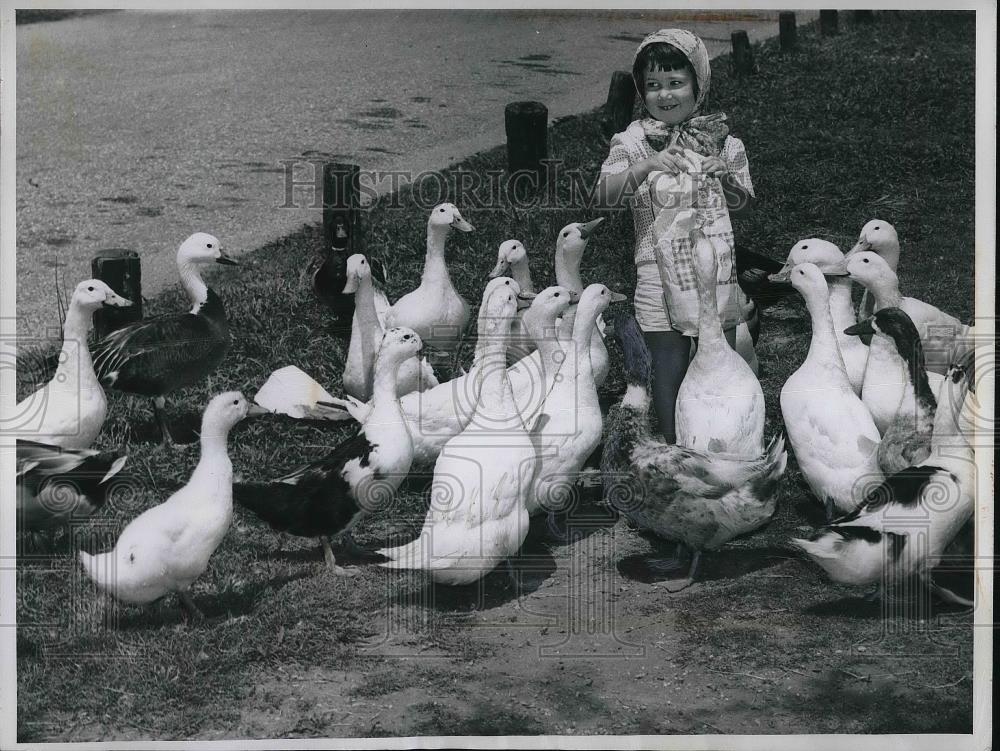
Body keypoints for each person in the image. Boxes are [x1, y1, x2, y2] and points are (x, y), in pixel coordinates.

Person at [597, 28, 757, 443]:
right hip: (655, 268)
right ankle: (673, 451)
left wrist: (728, 183)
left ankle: (721, 441)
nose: (664, 95)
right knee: (666, 363)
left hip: (714, 266)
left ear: (697, 84)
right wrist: (646, 167)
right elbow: (602, 197)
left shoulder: (724, 141)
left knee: (718, 356)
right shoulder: (632, 141)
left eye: (675, 83)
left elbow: (747, 206)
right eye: (652, 86)